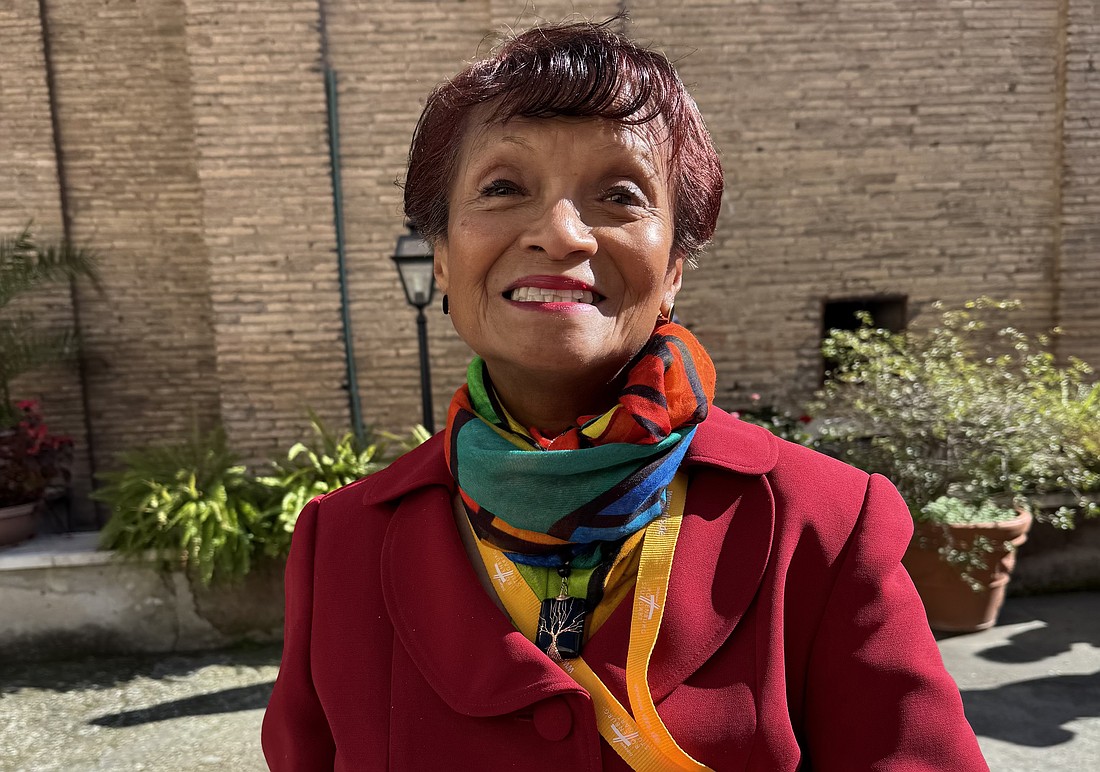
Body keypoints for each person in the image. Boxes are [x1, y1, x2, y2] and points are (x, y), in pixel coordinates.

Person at [263, 18, 988, 771]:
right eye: (504, 187)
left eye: (619, 194)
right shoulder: (340, 542)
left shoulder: (825, 527)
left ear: (673, 267)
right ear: (441, 257)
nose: (562, 234)